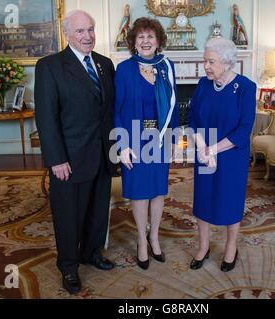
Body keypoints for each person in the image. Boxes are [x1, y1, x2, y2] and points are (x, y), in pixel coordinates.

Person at [34, 10, 116, 295]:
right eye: (80, 31)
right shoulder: (50, 67)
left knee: (97, 211)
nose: (87, 36)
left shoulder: (105, 65)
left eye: (91, 30)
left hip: (102, 155)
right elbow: (46, 117)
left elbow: (108, 113)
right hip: (68, 159)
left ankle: (91, 253)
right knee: (68, 216)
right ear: (67, 34)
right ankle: (69, 267)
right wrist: (56, 159)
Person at [114, 17, 178, 270]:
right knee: (140, 192)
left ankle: (154, 236)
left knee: (158, 191)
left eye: (150, 36)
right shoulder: (125, 69)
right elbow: (116, 110)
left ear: (158, 40)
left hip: (160, 138)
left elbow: (172, 107)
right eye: (141, 37)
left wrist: (170, 138)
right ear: (134, 41)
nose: (146, 41)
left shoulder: (166, 66)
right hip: (133, 139)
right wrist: (122, 144)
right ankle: (142, 239)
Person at [188, 37, 256, 272]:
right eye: (204, 60)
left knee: (230, 200)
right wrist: (200, 146)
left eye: (211, 61)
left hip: (230, 154)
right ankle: (204, 246)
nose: (205, 66)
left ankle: (230, 247)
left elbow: (244, 130)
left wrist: (212, 150)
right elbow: (193, 119)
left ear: (227, 63)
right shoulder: (203, 85)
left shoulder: (246, 88)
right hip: (204, 152)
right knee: (203, 199)